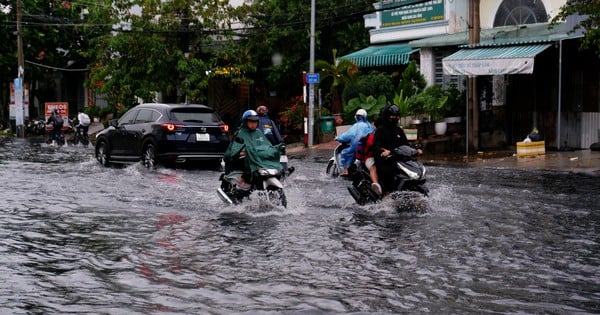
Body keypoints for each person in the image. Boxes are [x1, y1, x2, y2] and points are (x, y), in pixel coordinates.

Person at [222, 110, 283, 191]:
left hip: (257, 159)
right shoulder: (240, 133)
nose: (253, 124)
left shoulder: (258, 132)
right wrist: (241, 152)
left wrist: (275, 149)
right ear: (245, 122)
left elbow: (266, 145)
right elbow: (235, 149)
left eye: (255, 121)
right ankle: (242, 180)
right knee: (249, 164)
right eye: (251, 121)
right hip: (243, 161)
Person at [373, 104, 422, 194]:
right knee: (387, 172)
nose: (395, 118)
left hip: (397, 157)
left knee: (413, 165)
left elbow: (406, 144)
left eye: (396, 116)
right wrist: (383, 152)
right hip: (385, 159)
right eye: (392, 116)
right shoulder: (380, 130)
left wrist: (415, 150)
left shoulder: (399, 130)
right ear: (387, 116)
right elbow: (376, 146)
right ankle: (387, 193)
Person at [335, 109, 373, 177]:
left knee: (345, 152)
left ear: (356, 117)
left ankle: (345, 171)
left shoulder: (356, 126)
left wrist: (338, 138)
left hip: (357, 147)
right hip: (368, 148)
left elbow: (346, 136)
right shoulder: (369, 125)